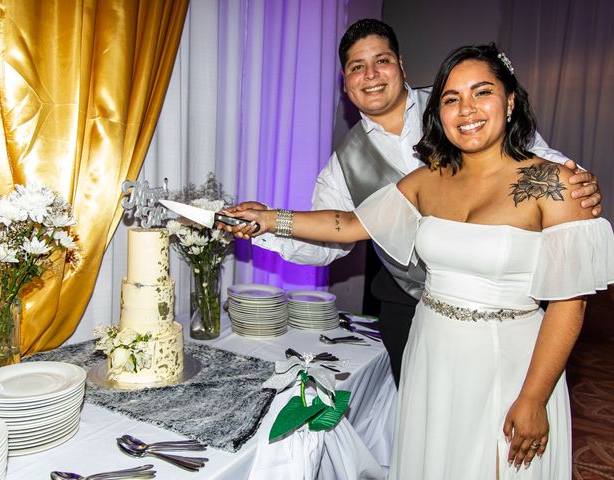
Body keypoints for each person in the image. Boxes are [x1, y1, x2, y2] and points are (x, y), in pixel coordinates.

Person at [222, 44, 614, 479]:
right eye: (451, 99)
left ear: (509, 101)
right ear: (439, 112)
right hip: (431, 351)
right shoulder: (429, 178)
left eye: (481, 92)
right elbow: (349, 225)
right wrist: (269, 219)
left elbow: (569, 304)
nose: (467, 109)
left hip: (508, 362)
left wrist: (534, 398)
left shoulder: (554, 183)